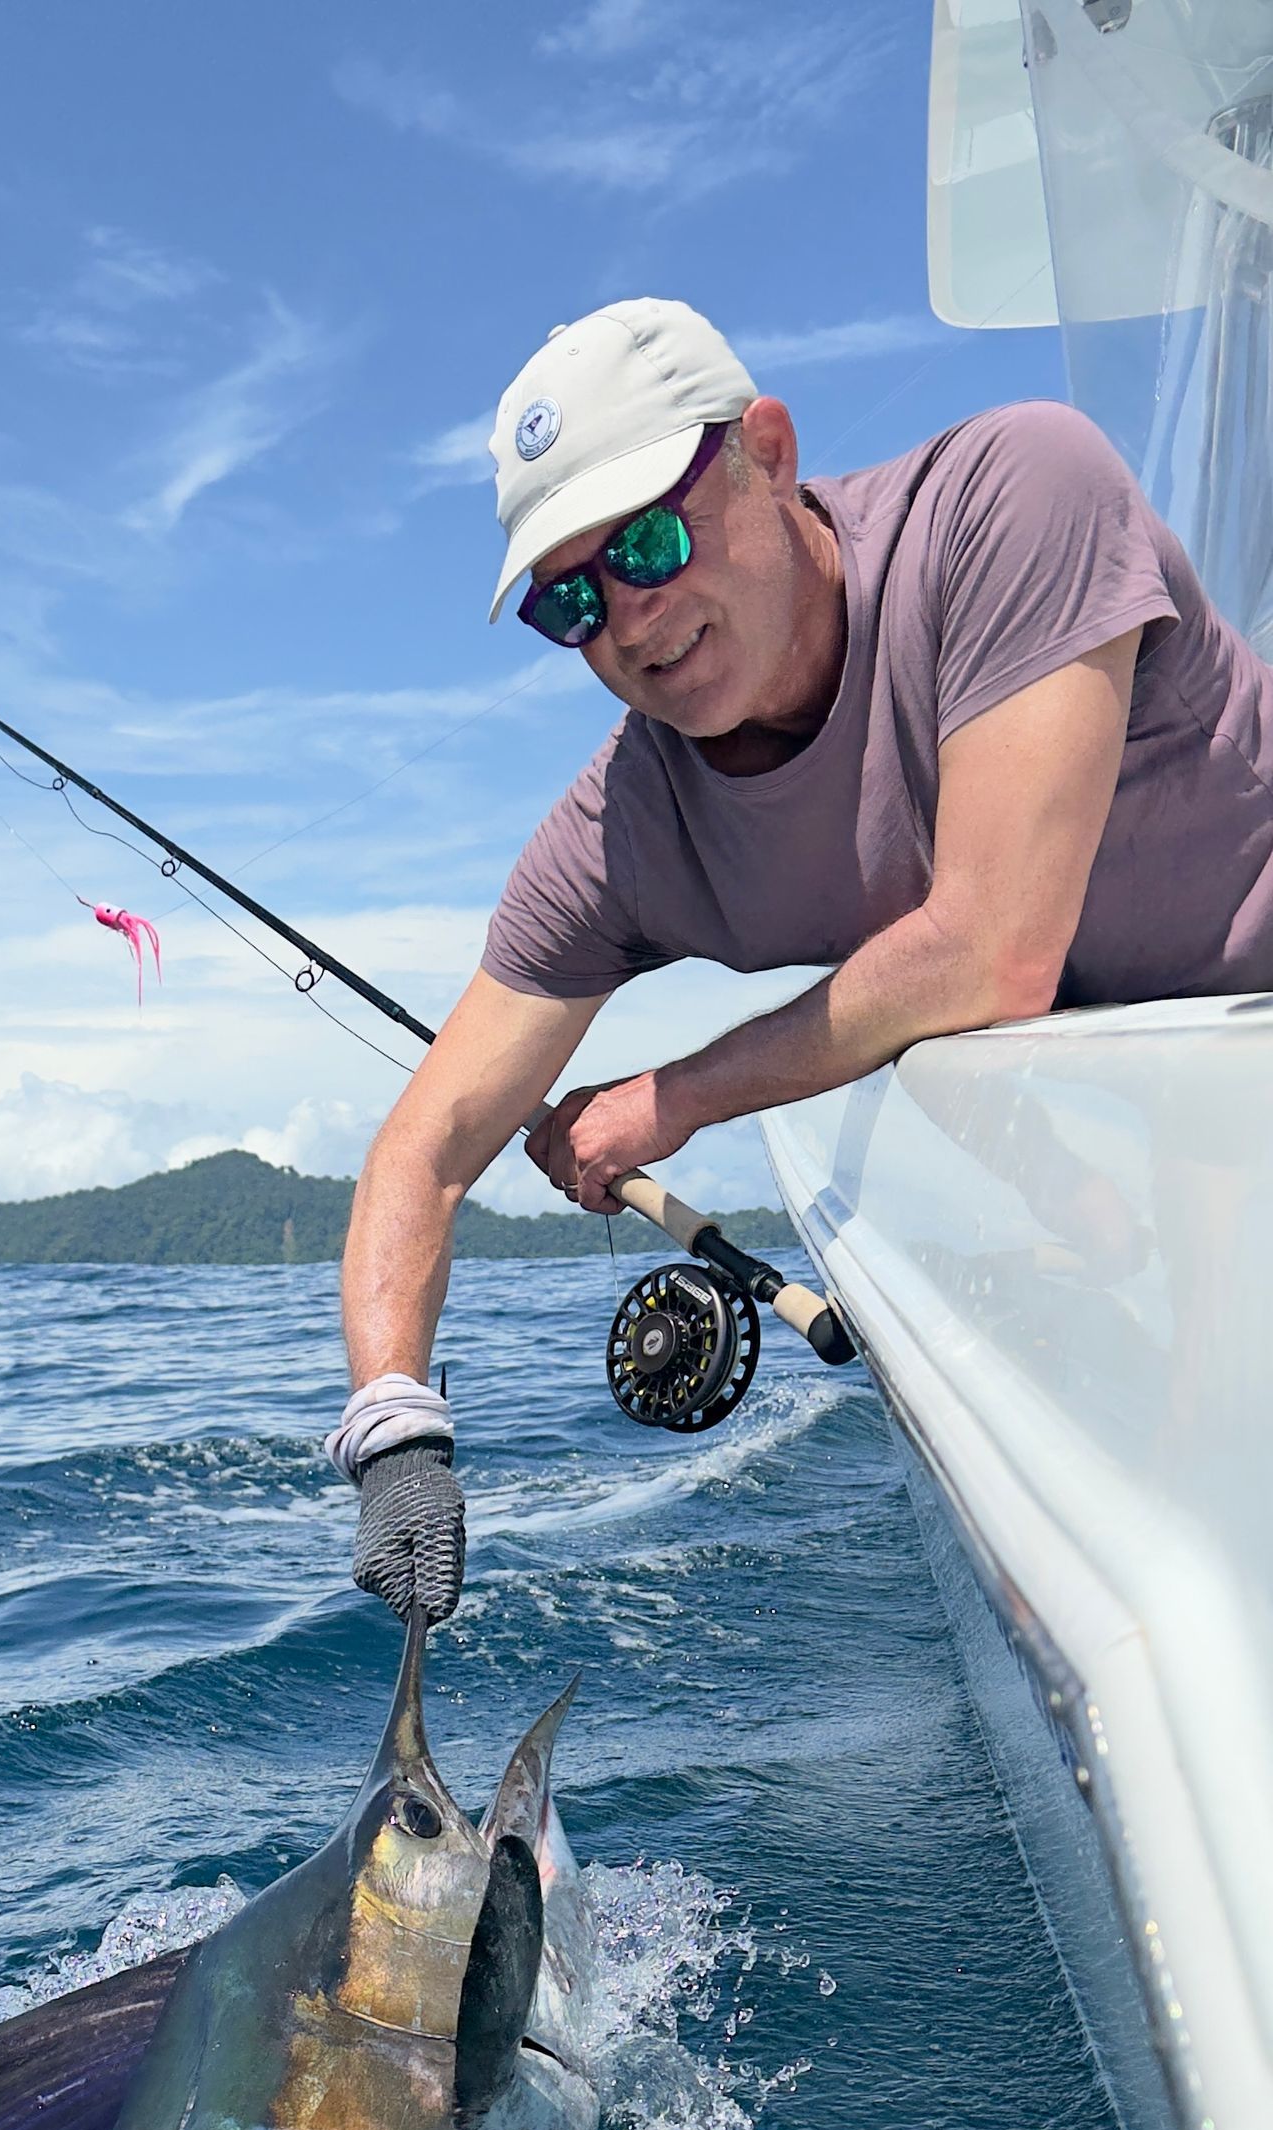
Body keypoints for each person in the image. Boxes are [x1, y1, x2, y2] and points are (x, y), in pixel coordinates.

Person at [331, 295, 1273, 1624]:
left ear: (768, 451)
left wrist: (659, 1104)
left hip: (1244, 1069)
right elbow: (421, 1154)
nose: (630, 619)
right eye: (570, 602)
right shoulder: (623, 832)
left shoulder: (1015, 496)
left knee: (1205, 1559)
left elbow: (992, 952)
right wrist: (394, 1432)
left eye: (650, 540)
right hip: (1128, 1153)